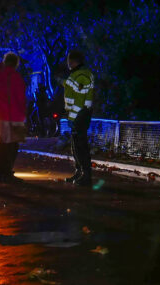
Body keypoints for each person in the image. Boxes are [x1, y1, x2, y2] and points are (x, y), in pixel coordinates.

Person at [0, 52, 26, 183]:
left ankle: (1, 171)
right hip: (15, 116)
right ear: (16, 64)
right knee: (13, 146)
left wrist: (4, 62)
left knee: (2, 146)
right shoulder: (16, 77)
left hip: (0, 115)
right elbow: (20, 98)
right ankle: (6, 172)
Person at [63, 49, 95, 187]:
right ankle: (80, 171)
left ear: (73, 61)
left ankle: (85, 174)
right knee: (76, 144)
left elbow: (79, 100)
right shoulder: (78, 74)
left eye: (69, 60)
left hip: (79, 115)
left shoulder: (81, 75)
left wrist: (72, 117)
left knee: (80, 145)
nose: (67, 63)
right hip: (79, 114)